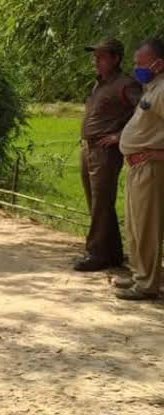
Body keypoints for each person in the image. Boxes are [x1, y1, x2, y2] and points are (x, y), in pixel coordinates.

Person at [75, 39, 141, 272]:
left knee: (101, 201)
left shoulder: (126, 85)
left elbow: (143, 114)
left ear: (115, 59)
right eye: (95, 56)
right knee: (95, 200)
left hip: (105, 151)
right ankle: (111, 252)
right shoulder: (100, 84)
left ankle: (96, 253)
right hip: (89, 148)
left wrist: (119, 135)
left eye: (101, 57)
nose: (96, 61)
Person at [116, 38, 164, 300]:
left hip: (151, 167)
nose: (136, 68)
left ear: (159, 63)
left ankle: (147, 284)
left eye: (140, 64)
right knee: (135, 225)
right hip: (137, 167)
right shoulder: (152, 87)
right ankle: (139, 274)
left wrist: (159, 153)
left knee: (147, 227)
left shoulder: (163, 89)